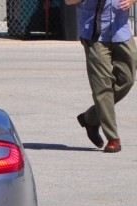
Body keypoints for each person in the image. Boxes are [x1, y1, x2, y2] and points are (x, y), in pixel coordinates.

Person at [66, 0, 137, 153]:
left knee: (127, 80)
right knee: (102, 87)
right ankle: (113, 137)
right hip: (94, 35)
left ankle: (89, 118)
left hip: (121, 31)